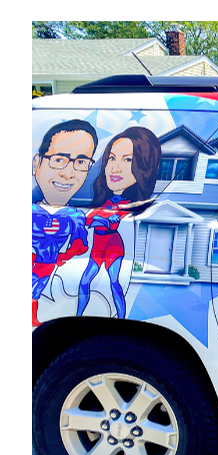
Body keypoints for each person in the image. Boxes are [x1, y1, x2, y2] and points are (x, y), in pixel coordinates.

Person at [77, 126, 161, 317]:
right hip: (98, 246)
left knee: (114, 283)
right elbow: (90, 219)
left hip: (114, 247)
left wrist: (96, 220)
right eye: (111, 158)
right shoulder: (104, 201)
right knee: (84, 281)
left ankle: (121, 317)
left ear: (143, 167)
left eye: (128, 160)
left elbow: (108, 223)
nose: (114, 167)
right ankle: (79, 314)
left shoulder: (130, 205)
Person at [32, 119, 97, 327]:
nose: (68, 174)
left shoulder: (75, 216)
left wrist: (64, 255)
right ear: (37, 163)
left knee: (38, 289)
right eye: (59, 160)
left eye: (81, 162)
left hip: (49, 265)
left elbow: (82, 244)